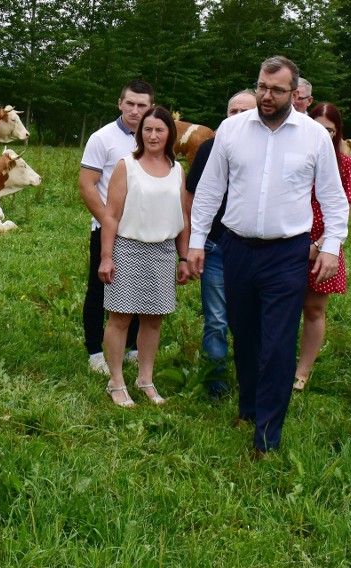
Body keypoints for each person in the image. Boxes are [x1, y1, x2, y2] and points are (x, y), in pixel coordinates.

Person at [187, 56, 349, 457]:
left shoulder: (312, 136)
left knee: (277, 343)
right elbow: (209, 191)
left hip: (287, 253)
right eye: (262, 86)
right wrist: (195, 241)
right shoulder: (232, 130)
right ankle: (249, 406)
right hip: (237, 248)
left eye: (276, 90)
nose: (267, 96)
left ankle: (267, 436)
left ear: (295, 94)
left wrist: (331, 246)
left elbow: (333, 198)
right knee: (245, 334)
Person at [98, 106, 189, 407]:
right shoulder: (128, 165)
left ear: (169, 134)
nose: (152, 135)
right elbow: (110, 216)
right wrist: (107, 257)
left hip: (162, 252)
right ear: (140, 134)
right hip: (128, 247)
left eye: (159, 130)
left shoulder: (177, 170)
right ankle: (116, 381)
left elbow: (183, 218)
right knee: (120, 317)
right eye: (147, 129)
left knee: (153, 320)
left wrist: (184, 258)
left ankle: (145, 379)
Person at [184, 89, 257, 401]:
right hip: (215, 248)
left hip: (255, 252)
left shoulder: (268, 152)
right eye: (233, 112)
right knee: (216, 319)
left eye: (245, 112)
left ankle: (249, 377)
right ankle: (215, 383)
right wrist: (191, 246)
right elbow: (191, 198)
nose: (238, 118)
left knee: (251, 317)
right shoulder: (208, 149)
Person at [79, 80, 154, 375]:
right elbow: (87, 185)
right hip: (108, 229)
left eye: (142, 105)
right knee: (101, 288)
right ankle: (95, 350)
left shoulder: (155, 137)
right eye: (130, 104)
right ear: (120, 104)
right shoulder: (103, 138)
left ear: (151, 108)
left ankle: (134, 346)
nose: (136, 111)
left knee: (140, 287)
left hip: (145, 230)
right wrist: (108, 220)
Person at [294, 103, 351, 390]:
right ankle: (274, 364)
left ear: (337, 134)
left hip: (324, 244)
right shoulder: (293, 158)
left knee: (313, 309)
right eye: (319, 128)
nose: (323, 135)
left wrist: (320, 245)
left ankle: (302, 373)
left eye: (330, 131)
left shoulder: (345, 164)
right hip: (287, 243)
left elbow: (343, 212)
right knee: (281, 308)